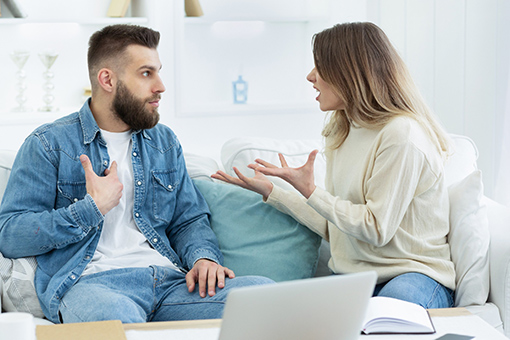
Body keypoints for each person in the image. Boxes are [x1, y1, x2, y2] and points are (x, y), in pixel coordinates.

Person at [0, 24, 272, 324]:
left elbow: (188, 219)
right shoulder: (49, 144)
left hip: (170, 283)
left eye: (158, 71)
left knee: (264, 296)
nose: (161, 86)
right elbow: (10, 234)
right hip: (93, 285)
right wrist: (90, 210)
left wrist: (203, 257)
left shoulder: (163, 141)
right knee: (117, 320)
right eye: (146, 73)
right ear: (107, 79)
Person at [213, 22, 456, 309]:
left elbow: (376, 229)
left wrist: (311, 190)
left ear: (350, 72)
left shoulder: (401, 134)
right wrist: (272, 192)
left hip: (412, 274)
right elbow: (338, 229)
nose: (310, 76)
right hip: (353, 276)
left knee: (389, 315)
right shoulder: (343, 129)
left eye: (320, 66)